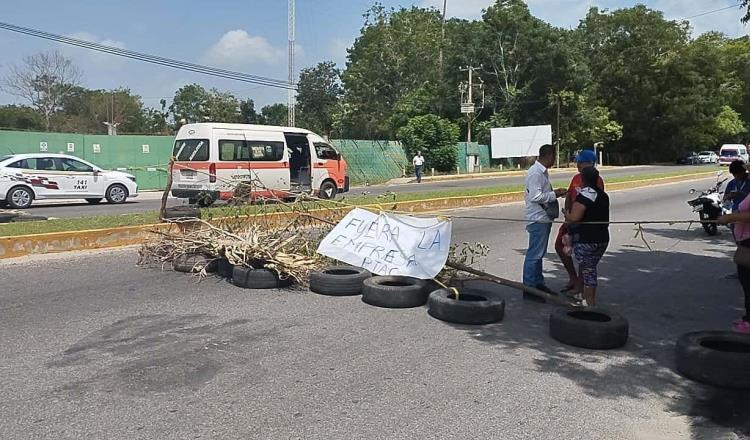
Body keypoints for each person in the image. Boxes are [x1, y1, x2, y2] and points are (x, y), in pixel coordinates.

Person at [555, 149, 605, 294]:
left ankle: (581, 288)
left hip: (583, 225)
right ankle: (573, 278)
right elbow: (570, 197)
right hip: (571, 220)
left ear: (589, 163)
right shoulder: (576, 178)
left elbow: (593, 204)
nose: (577, 164)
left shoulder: (595, 180)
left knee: (584, 258)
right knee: (559, 245)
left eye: (580, 162)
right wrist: (567, 217)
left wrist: (575, 218)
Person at [523, 144, 567, 297]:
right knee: (534, 254)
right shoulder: (536, 173)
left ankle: (538, 283)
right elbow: (535, 197)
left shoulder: (542, 172)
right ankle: (529, 288)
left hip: (543, 217)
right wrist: (556, 193)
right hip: (538, 218)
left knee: (539, 254)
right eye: (554, 156)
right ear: (548, 156)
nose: (554, 160)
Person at [563, 166, 610, 307]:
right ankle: (582, 295)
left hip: (588, 239)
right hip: (602, 239)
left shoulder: (585, 195)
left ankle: (590, 304)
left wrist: (566, 215)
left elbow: (574, 218)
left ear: (582, 180)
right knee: (588, 268)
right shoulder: (603, 195)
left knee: (589, 271)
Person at [718, 194, 750, 334]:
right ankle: (748, 317)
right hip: (745, 242)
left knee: (749, 283)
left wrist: (731, 218)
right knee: (745, 282)